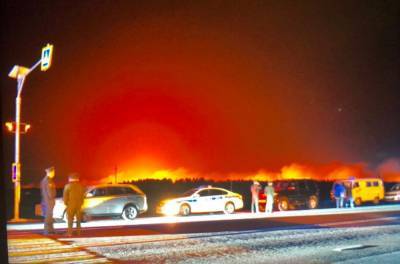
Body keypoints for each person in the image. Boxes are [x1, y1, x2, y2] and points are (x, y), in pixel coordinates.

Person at [40, 166, 56, 234]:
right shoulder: (48, 180)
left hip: (46, 200)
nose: (54, 174)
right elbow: (50, 192)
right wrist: (52, 198)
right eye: (53, 172)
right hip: (49, 201)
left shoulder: (45, 180)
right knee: (48, 216)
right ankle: (47, 231)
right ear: (50, 172)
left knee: (49, 216)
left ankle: (50, 230)